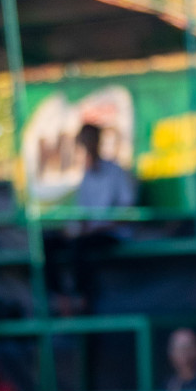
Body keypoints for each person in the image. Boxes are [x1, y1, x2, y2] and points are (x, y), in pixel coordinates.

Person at [45, 123, 137, 315]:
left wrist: (93, 229)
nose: (87, 145)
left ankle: (82, 299)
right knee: (49, 241)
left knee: (82, 245)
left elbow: (125, 213)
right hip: (88, 234)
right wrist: (73, 230)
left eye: (89, 140)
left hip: (111, 234)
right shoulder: (86, 175)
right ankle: (60, 299)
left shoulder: (115, 171)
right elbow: (82, 215)